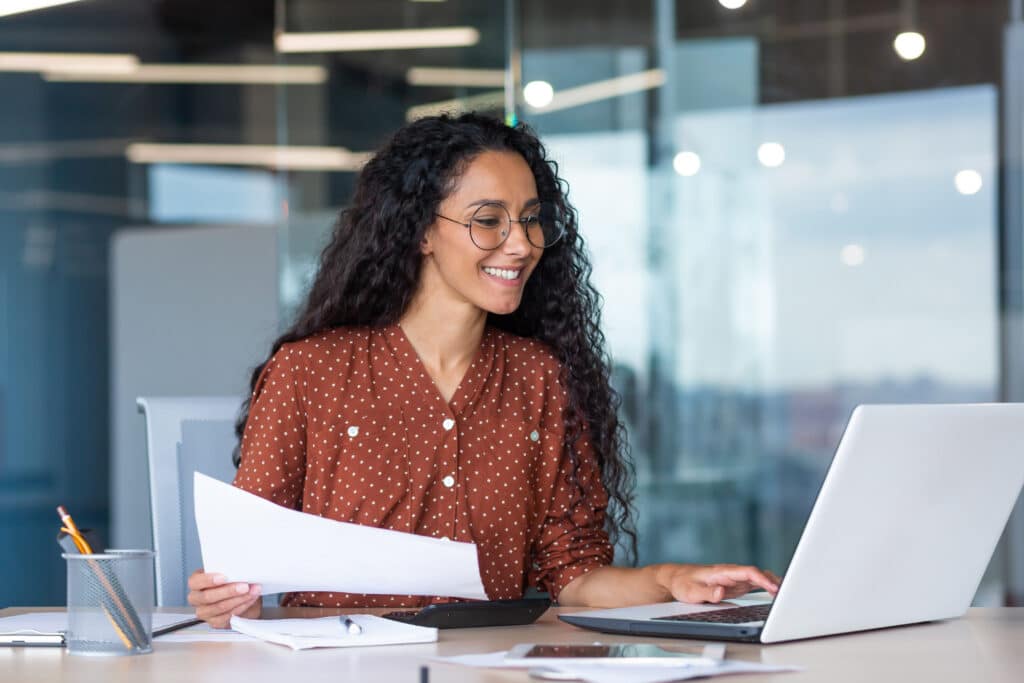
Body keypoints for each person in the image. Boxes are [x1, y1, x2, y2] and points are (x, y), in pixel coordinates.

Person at [188, 113, 780, 628]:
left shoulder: (540, 378)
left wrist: (671, 580)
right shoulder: (309, 372)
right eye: (488, 220)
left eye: (529, 219)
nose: (520, 244)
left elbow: (573, 575)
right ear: (421, 230)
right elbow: (246, 567)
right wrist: (228, 598)